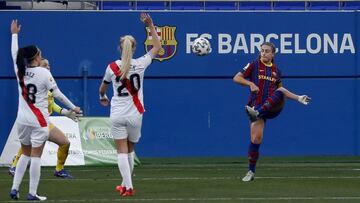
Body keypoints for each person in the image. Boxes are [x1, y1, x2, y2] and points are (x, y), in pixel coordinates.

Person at [9, 20, 82, 201]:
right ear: (36, 57)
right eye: (40, 54)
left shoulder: (20, 70)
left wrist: (14, 34)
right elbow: (58, 94)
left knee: (25, 154)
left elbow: (13, 53)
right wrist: (73, 107)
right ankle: (32, 193)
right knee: (35, 157)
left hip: (22, 120)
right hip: (39, 121)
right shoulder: (44, 73)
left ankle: (14, 189)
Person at [98, 13, 161, 197]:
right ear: (134, 48)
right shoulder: (140, 63)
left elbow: (102, 88)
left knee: (121, 151)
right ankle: (127, 185)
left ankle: (128, 185)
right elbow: (157, 47)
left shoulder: (111, 67)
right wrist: (150, 25)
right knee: (130, 150)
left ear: (120, 48)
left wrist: (102, 96)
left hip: (117, 114)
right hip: (135, 114)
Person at [233, 42, 311, 182]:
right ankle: (251, 171)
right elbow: (236, 78)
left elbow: (282, 92)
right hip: (256, 107)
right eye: (262, 50)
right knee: (256, 139)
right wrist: (250, 83)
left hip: (272, 107)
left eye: (267, 51)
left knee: (280, 90)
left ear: (273, 54)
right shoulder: (254, 65)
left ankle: (258, 113)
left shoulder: (276, 71)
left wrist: (299, 98)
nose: (264, 53)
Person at [9, 58, 81, 179]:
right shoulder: (35, 83)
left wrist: (65, 113)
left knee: (65, 143)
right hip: (33, 121)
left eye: (49, 65)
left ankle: (59, 170)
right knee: (28, 146)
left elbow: (52, 104)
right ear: (38, 67)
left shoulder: (47, 83)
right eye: (45, 65)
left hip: (45, 123)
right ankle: (14, 166)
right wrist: (73, 107)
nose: (48, 67)